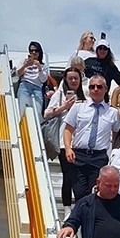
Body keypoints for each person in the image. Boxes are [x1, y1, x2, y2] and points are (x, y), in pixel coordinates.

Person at [62, 75, 120, 201]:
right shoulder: (78, 107)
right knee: (79, 192)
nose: (95, 89)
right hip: (79, 155)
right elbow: (68, 129)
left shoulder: (113, 112)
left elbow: (116, 136)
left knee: (93, 193)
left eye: (99, 87)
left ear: (106, 89)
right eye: (92, 87)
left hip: (98, 157)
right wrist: (68, 148)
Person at [44, 67, 83, 208]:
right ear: (65, 80)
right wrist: (64, 106)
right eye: (70, 78)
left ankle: (79, 207)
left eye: (76, 78)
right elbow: (46, 114)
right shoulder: (59, 95)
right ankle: (67, 207)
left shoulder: (86, 96)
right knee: (68, 176)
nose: (73, 81)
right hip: (63, 141)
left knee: (80, 179)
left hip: (80, 142)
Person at [15, 41, 47, 125]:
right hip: (24, 86)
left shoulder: (43, 65)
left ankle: (35, 128)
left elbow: (43, 80)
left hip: (37, 88)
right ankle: (24, 127)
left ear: (39, 52)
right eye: (31, 50)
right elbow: (18, 74)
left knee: (37, 112)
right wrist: (25, 65)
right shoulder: (24, 61)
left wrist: (39, 67)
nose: (33, 52)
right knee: (24, 110)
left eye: (36, 50)